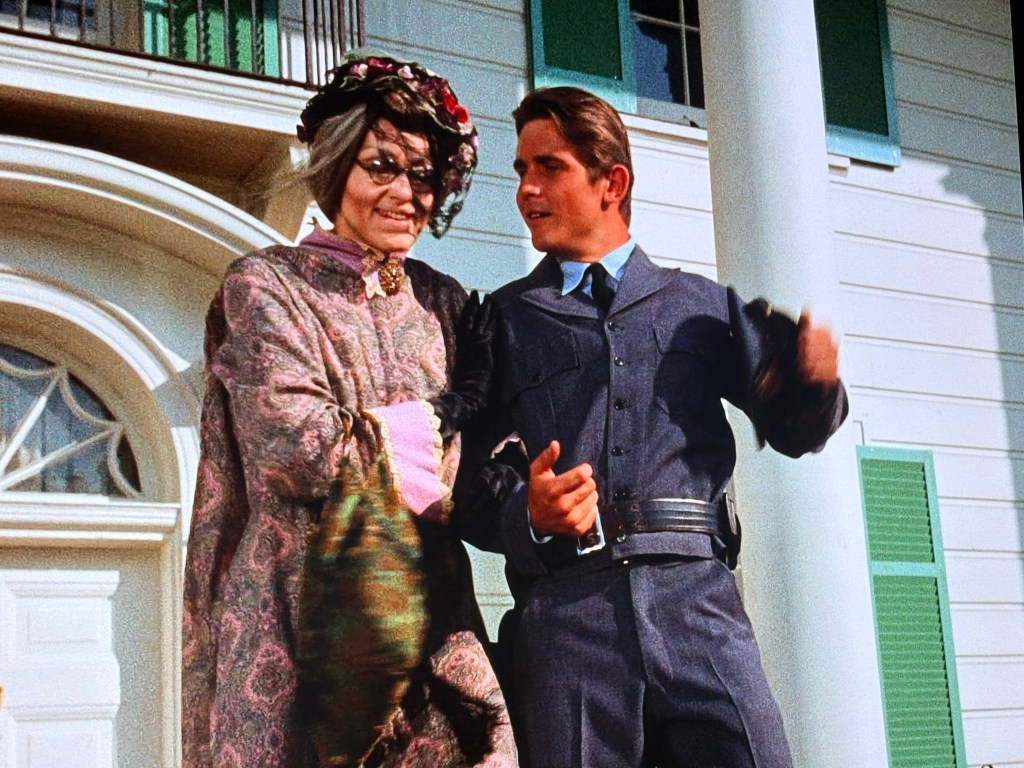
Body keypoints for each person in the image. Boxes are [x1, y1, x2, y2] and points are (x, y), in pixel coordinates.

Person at [455, 86, 849, 768]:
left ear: (612, 182)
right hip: (567, 628)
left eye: (548, 167)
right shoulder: (503, 322)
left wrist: (813, 382)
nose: (526, 189)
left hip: (699, 609)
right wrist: (529, 512)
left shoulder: (704, 306)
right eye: (521, 170)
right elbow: (460, 481)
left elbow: (796, 431)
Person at [181, 53, 516, 768]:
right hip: (300, 627)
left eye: (423, 175)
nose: (406, 193)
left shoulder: (444, 302)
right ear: (336, 170)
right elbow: (303, 451)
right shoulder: (267, 286)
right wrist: (455, 412)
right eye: (382, 167)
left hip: (434, 627)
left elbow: (489, 467)